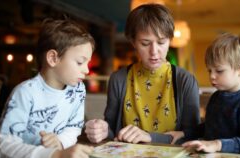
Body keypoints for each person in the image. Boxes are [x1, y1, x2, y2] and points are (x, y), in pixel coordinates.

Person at [85, 3, 200, 144]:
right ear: (133, 42)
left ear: (170, 41)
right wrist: (102, 130)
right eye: (145, 43)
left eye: (161, 42)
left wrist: (150, 137)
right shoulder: (119, 79)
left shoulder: (185, 80)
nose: (154, 51)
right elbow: (112, 130)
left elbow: (194, 134)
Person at [0, 19, 95, 158]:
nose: (86, 70)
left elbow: (74, 127)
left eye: (88, 63)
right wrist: (53, 154)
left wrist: (60, 143)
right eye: (80, 62)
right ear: (53, 58)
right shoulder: (25, 93)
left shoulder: (78, 90)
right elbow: (4, 145)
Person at [182, 33, 240, 154]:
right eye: (209, 70)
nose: (212, 76)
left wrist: (217, 144)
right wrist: (184, 133)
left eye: (219, 71)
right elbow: (208, 128)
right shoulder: (216, 97)